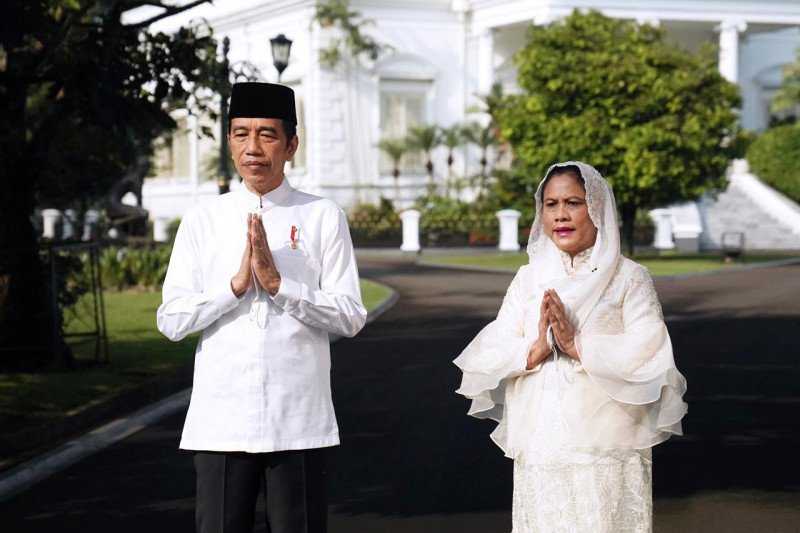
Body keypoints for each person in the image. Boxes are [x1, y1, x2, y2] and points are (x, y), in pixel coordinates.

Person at [156, 82, 367, 533]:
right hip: (221, 418)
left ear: (291, 144)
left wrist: (279, 285)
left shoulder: (322, 215)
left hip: (299, 417)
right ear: (229, 141)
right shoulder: (203, 219)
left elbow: (350, 315)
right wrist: (233, 288)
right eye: (240, 134)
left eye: (267, 135)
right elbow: (171, 320)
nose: (253, 148)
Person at [453, 161, 687, 533]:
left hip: (608, 446)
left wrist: (577, 346)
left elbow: (651, 353)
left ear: (596, 208)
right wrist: (534, 351)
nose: (561, 215)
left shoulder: (629, 277)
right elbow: (493, 347)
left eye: (574, 203)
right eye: (551, 204)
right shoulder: (529, 279)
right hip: (543, 442)